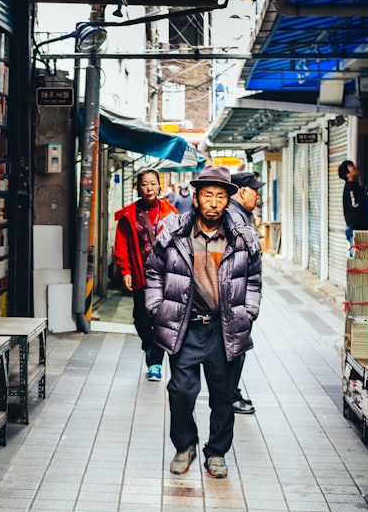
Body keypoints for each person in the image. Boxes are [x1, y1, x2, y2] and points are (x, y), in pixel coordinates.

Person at [144, 166, 262, 479]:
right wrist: (157, 307)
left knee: (223, 395)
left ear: (227, 201)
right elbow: (154, 270)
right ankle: (185, 446)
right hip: (185, 325)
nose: (212, 202)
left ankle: (217, 453)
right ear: (196, 198)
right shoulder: (173, 232)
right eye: (207, 195)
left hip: (225, 328)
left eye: (220, 196)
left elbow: (254, 278)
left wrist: (248, 311)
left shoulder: (241, 237)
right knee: (181, 391)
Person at [113, 168, 178, 381]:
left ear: (160, 186)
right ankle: (148, 346)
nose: (149, 188)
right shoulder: (129, 215)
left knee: (160, 319)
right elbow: (121, 245)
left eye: (153, 183)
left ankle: (155, 363)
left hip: (164, 277)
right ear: (138, 187)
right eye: (144, 183)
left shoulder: (171, 213)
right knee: (140, 318)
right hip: (140, 275)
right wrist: (125, 271)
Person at [228, 170, 266, 416]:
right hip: (235, 296)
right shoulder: (235, 216)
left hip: (240, 295)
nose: (258, 197)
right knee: (234, 347)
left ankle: (230, 393)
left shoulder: (240, 214)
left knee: (235, 347)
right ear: (242, 191)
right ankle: (229, 396)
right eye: (256, 191)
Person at [337, 160, 368, 245]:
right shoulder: (350, 188)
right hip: (356, 231)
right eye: (351, 166)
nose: (355, 167)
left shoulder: (355, 186)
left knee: (363, 256)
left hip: (361, 230)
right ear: (347, 174)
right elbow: (355, 205)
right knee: (360, 256)